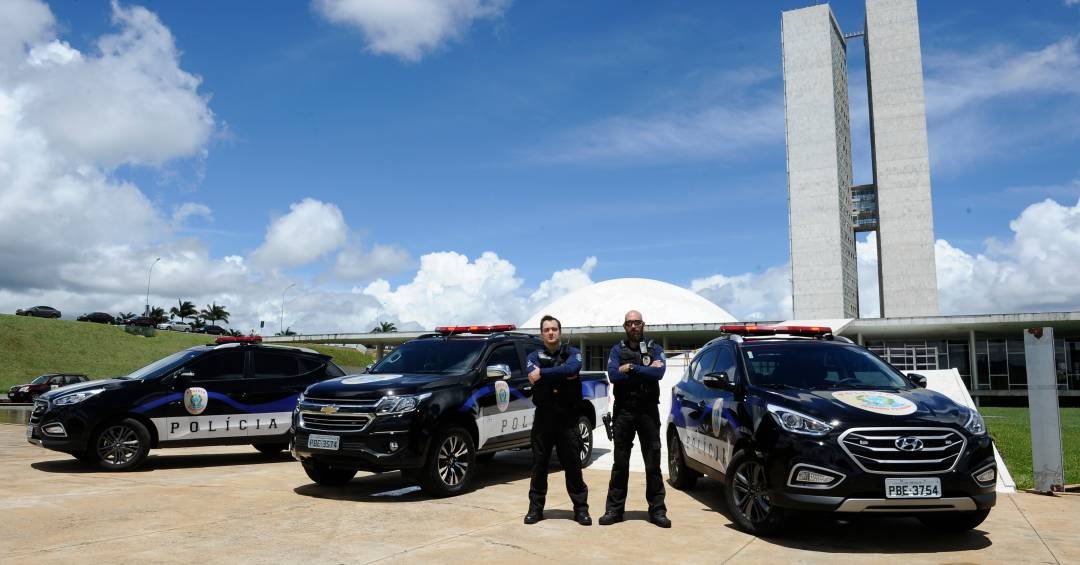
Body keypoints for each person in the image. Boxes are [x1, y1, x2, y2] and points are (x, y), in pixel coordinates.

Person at [598, 310, 671, 528]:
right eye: (629, 323)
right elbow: (613, 375)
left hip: (648, 411)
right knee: (620, 463)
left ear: (643, 324)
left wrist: (630, 367)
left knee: (653, 464)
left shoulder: (655, 348)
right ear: (624, 326)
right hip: (624, 412)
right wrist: (644, 370)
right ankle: (614, 510)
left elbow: (658, 374)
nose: (633, 326)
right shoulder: (616, 349)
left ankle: (657, 511)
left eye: (637, 322)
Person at [523, 314, 591, 526]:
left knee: (573, 465)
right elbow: (539, 374)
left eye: (554, 329)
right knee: (539, 465)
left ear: (559, 332)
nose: (551, 332)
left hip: (568, 418)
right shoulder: (533, 355)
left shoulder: (574, 353)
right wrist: (559, 374)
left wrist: (542, 373)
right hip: (544, 418)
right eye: (546, 330)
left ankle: (581, 510)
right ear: (542, 334)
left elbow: (571, 369)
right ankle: (535, 509)